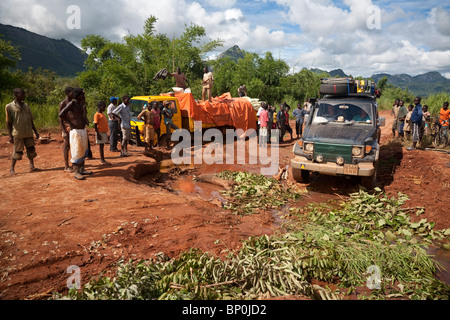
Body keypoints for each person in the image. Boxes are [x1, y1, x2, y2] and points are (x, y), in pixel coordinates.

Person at [59, 88, 92, 180]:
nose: (84, 96)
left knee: (82, 150)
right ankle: (77, 172)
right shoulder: (72, 104)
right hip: (76, 131)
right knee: (76, 151)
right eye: (82, 94)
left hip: (82, 130)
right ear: (78, 95)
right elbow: (61, 114)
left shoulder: (81, 104)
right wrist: (70, 122)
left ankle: (82, 169)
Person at [6, 88, 40, 175]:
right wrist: (10, 135)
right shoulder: (9, 106)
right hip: (18, 133)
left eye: (24, 94)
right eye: (22, 94)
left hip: (28, 132)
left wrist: (35, 131)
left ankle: (32, 165)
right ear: (16, 95)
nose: (24, 96)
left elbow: (30, 120)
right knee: (17, 151)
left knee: (31, 149)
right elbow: (8, 122)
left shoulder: (26, 106)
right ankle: (12, 169)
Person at [59, 87, 74, 172]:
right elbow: (60, 117)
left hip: (72, 127)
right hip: (67, 127)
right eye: (72, 92)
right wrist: (63, 130)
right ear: (68, 93)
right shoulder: (63, 103)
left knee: (73, 145)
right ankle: (66, 165)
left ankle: (73, 164)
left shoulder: (73, 102)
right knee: (67, 145)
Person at [94, 101, 110, 165]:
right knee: (101, 146)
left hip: (103, 132)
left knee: (102, 145)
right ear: (99, 107)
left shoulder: (102, 114)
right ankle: (102, 159)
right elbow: (95, 125)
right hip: (100, 132)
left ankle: (103, 159)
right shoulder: (97, 115)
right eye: (103, 107)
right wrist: (98, 134)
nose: (104, 108)